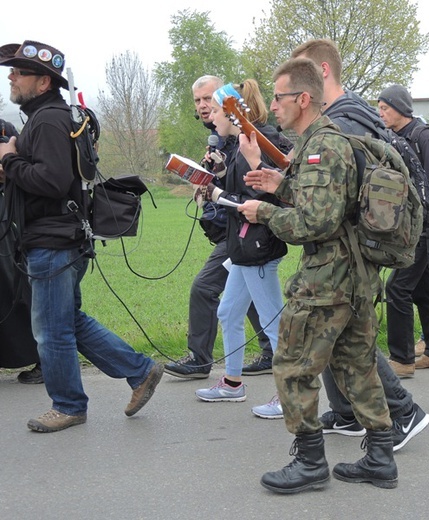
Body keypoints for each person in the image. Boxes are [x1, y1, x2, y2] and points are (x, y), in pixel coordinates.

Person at [237, 57, 397, 493]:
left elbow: (315, 224)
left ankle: (309, 463)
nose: (272, 105)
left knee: (291, 365)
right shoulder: (331, 141)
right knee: (356, 366)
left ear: (303, 99)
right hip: (357, 277)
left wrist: (264, 211)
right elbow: (333, 204)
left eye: (278, 96)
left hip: (328, 280)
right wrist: (281, 184)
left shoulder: (321, 147)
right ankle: (381, 457)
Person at [0, 40, 163, 432]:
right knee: (68, 320)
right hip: (61, 239)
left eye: (19, 72)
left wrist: (9, 159)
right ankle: (140, 371)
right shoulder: (49, 117)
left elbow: (52, 182)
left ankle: (69, 405)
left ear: (42, 82)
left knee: (51, 329)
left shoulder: (49, 120)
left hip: (54, 241)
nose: (11, 77)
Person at [292, 38, 429, 450]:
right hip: (349, 245)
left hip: (351, 249)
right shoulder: (346, 116)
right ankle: (351, 413)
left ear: (322, 73)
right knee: (337, 333)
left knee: (350, 337)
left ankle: (403, 412)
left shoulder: (345, 122)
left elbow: (332, 196)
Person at [163, 75, 274, 380]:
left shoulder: (247, 140)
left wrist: (216, 191)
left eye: (208, 101)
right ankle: (249, 371)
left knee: (205, 287)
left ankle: (200, 361)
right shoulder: (220, 139)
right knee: (240, 301)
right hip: (235, 233)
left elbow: (254, 193)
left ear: (228, 105)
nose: (203, 108)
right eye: (197, 101)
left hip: (249, 233)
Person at [194, 80, 289, 419]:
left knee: (272, 320)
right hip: (243, 247)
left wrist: (215, 194)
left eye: (216, 109)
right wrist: (213, 179)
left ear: (233, 113)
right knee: (229, 313)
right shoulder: (238, 144)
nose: (210, 115)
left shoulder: (257, 142)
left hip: (258, 246)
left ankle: (288, 394)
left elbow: (261, 198)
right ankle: (233, 383)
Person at [377, 84, 429, 377]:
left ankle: (402, 360)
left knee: (397, 288)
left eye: (385, 108)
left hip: (427, 227)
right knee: (423, 289)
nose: (381, 113)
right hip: (412, 226)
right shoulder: (396, 137)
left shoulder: (424, 137)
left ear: (400, 108)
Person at [0, 117, 43, 384]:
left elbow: (24, 165)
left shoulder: (7, 129)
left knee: (14, 284)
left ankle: (43, 358)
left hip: (5, 217)